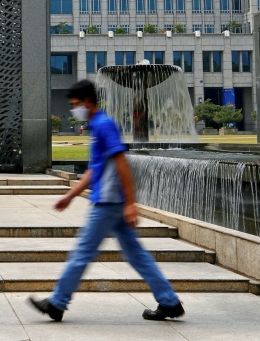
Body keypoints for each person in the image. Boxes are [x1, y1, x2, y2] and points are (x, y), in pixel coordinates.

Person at [29, 79, 184, 323]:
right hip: (114, 202)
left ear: (87, 101)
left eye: (75, 104)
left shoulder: (104, 124)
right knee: (136, 255)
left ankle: (57, 302)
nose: (74, 109)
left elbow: (122, 163)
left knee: (83, 252)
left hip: (108, 203)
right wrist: (70, 195)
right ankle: (169, 302)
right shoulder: (97, 126)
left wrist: (131, 203)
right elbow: (94, 170)